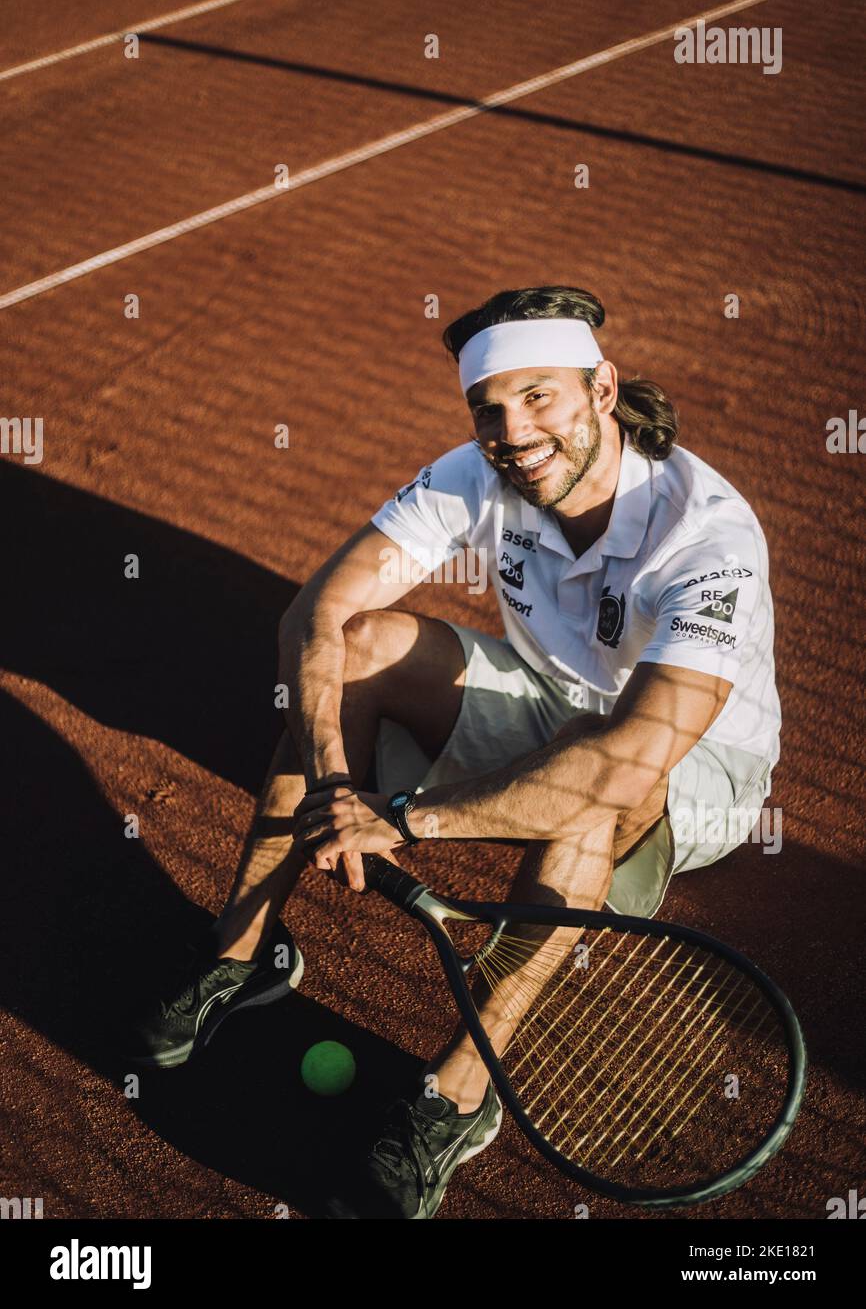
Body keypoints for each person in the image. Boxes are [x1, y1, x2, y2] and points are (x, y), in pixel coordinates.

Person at [128, 285, 780, 1219]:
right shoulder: (480, 471)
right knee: (356, 651)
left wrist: (401, 822)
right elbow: (316, 615)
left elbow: (629, 757)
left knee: (591, 790)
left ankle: (460, 1095)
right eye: (490, 408)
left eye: (539, 397)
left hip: (694, 764)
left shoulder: (709, 538)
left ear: (603, 389)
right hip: (550, 699)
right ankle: (244, 952)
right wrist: (335, 784)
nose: (512, 430)